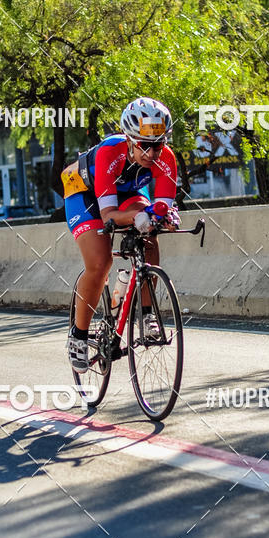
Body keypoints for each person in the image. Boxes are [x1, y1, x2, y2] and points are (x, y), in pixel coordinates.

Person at [62, 97, 180, 372]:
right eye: (144, 146)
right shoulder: (110, 152)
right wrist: (139, 216)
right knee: (101, 263)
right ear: (128, 139)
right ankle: (78, 336)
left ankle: (147, 315)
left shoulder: (167, 159)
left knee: (151, 232)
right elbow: (109, 215)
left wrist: (165, 217)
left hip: (127, 193)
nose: (152, 154)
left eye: (158, 145)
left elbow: (163, 207)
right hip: (85, 193)